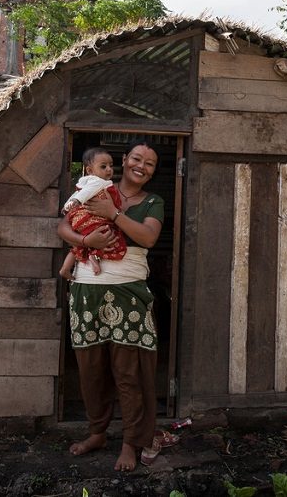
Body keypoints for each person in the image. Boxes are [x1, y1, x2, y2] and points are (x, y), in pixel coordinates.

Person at [58, 140, 165, 472]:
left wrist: (114, 215)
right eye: (137, 158)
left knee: (128, 372)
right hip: (86, 292)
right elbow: (63, 225)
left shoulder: (153, 202)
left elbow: (148, 239)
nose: (141, 166)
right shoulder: (96, 188)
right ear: (124, 160)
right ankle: (97, 433)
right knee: (91, 371)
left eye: (149, 163)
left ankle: (130, 442)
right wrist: (84, 241)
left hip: (128, 293)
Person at [58, 148, 127, 282]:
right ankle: (94, 257)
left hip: (78, 222)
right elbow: (85, 193)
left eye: (111, 166)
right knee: (109, 235)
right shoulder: (98, 182)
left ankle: (65, 268)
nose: (109, 170)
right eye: (103, 166)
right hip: (93, 221)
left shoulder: (85, 182)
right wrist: (77, 201)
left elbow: (78, 193)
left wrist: (68, 205)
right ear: (89, 170)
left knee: (78, 246)